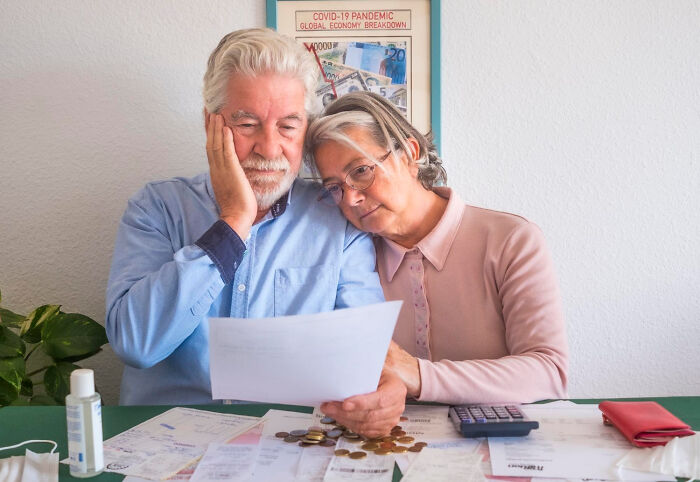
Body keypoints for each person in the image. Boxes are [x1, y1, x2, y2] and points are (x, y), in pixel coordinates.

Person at [105, 29, 388, 407]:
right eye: (247, 124)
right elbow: (135, 344)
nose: (270, 149)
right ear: (211, 125)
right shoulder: (156, 208)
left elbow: (362, 360)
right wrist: (233, 223)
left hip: (289, 440)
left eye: (288, 126)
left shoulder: (338, 220)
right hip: (166, 441)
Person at [305, 92, 569, 434]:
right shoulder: (349, 260)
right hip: (386, 447)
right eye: (335, 188)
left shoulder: (510, 240)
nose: (352, 198)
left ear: (411, 153)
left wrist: (417, 375)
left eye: (361, 171)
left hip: (497, 445)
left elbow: (549, 373)